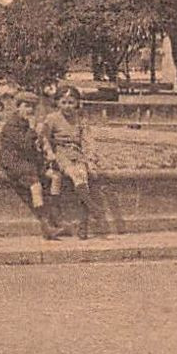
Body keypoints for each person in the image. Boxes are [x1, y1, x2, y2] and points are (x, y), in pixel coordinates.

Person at [39, 85, 110, 239]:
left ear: (77, 103)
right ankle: (93, 208)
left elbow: (87, 141)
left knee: (83, 176)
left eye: (71, 103)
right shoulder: (52, 119)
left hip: (76, 154)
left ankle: (83, 225)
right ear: (57, 103)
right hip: (60, 154)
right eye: (63, 102)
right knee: (75, 174)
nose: (67, 107)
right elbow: (44, 137)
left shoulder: (80, 120)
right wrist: (49, 153)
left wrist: (90, 159)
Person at [0, 94, 68, 239]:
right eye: (26, 106)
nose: (30, 110)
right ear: (18, 107)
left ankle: (55, 215)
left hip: (29, 160)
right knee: (35, 185)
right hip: (14, 160)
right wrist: (32, 129)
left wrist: (47, 152)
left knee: (55, 176)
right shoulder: (11, 125)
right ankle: (45, 226)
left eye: (32, 107)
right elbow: (24, 145)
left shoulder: (30, 124)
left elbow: (40, 143)